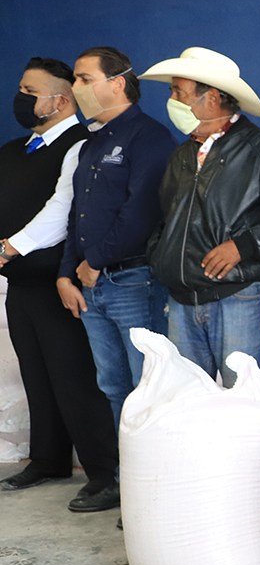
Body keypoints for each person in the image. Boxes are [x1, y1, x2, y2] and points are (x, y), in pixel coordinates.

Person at [141, 48, 260, 385]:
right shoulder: (182, 155)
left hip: (237, 296)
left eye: (179, 92)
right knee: (189, 397)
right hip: (181, 300)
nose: (172, 100)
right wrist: (161, 256)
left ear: (211, 98)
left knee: (240, 398)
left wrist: (243, 246)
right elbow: (166, 219)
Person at [56, 46, 174, 514]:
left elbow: (141, 210)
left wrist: (96, 261)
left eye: (84, 79)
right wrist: (67, 272)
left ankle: (156, 489)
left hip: (132, 280)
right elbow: (77, 217)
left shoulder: (149, 138)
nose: (76, 88)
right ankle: (128, 484)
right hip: (91, 285)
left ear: (118, 82)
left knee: (149, 387)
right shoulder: (91, 143)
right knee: (113, 387)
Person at [0, 58, 118, 507]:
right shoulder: (14, 151)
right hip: (20, 282)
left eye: (30, 92)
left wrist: (10, 248)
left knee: (75, 379)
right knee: (37, 374)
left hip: (59, 281)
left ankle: (103, 472)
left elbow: (62, 211)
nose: (21, 98)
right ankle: (47, 459)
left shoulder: (80, 145)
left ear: (61, 100)